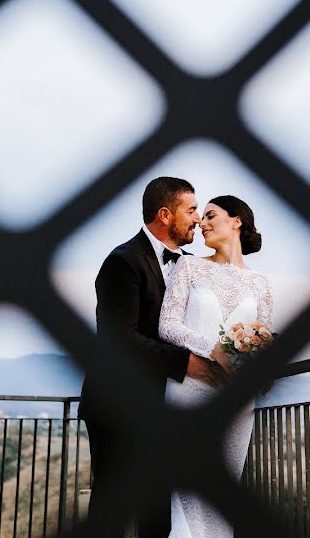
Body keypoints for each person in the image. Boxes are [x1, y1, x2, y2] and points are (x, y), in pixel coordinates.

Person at [78, 177, 229, 538]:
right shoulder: (122, 262)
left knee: (159, 515)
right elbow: (119, 339)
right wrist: (188, 364)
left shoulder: (193, 266)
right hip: (119, 409)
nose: (197, 219)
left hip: (168, 411)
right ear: (165, 214)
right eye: (191, 210)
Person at [158, 195, 272, 538]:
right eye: (200, 217)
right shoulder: (189, 267)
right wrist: (214, 350)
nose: (201, 223)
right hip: (189, 393)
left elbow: (262, 342)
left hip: (236, 402)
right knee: (187, 489)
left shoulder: (261, 284)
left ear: (236, 221)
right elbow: (167, 325)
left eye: (210, 215)